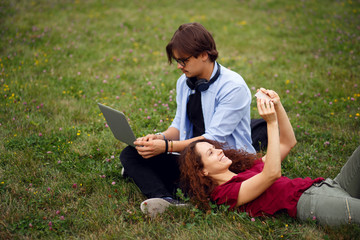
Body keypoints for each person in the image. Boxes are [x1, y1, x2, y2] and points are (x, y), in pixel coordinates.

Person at [120, 22, 263, 217]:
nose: (179, 66)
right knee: (131, 154)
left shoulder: (233, 87)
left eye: (183, 60)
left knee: (193, 180)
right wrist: (158, 138)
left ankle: (159, 184)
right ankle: (166, 199)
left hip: (222, 162)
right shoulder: (184, 82)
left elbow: (213, 138)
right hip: (191, 157)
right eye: (177, 61)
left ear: (204, 54)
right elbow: (178, 126)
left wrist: (167, 147)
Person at [179, 88, 360, 226]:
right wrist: (271, 123)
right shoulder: (224, 194)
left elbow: (287, 143)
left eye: (215, 147)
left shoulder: (246, 169)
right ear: (202, 171)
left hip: (328, 185)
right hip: (311, 203)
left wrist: (277, 106)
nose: (219, 151)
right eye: (211, 153)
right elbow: (272, 173)